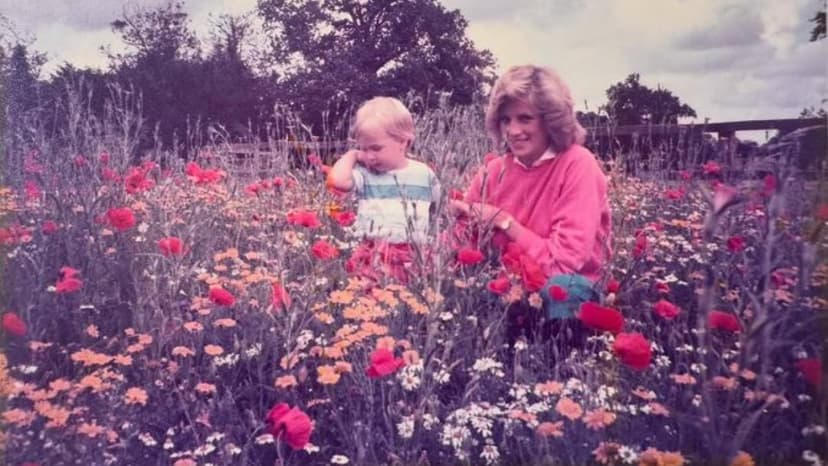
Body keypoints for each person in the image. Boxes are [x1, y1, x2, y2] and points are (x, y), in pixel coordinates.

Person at [448, 65, 612, 349]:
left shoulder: (577, 164)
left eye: (525, 118)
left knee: (562, 290)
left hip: (562, 290)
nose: (513, 131)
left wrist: (504, 221)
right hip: (506, 286)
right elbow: (460, 242)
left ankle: (559, 370)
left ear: (551, 121)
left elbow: (563, 264)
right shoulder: (493, 171)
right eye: (505, 120)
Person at [327, 97, 440, 284]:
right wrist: (352, 155)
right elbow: (337, 181)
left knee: (407, 303)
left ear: (403, 142)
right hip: (372, 254)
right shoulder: (365, 175)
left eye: (376, 148)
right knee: (369, 303)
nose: (370, 156)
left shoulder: (424, 175)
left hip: (411, 255)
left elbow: (436, 208)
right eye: (364, 148)